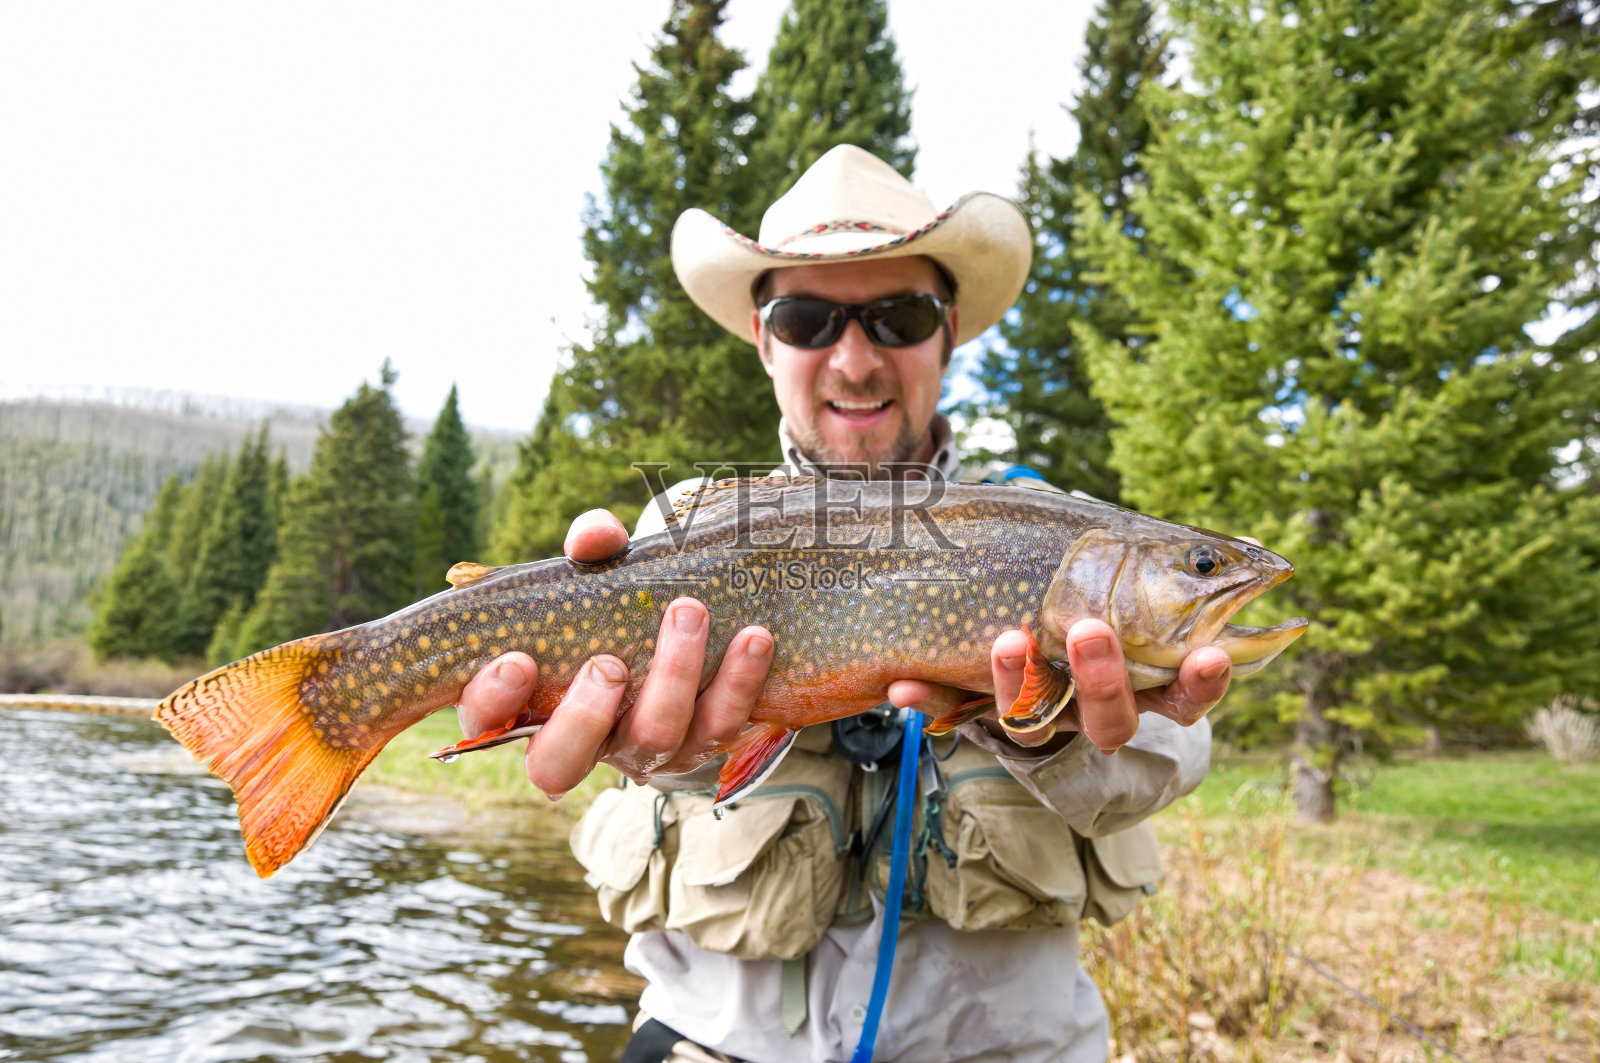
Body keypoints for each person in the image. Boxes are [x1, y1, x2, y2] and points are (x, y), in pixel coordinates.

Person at [457, 146, 1228, 1062]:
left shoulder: (1064, 533)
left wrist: (1048, 728)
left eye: (899, 317)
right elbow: (656, 752)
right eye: (808, 319)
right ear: (763, 338)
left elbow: (1175, 750)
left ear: (949, 332)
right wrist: (669, 754)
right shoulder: (680, 529)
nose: (855, 360)